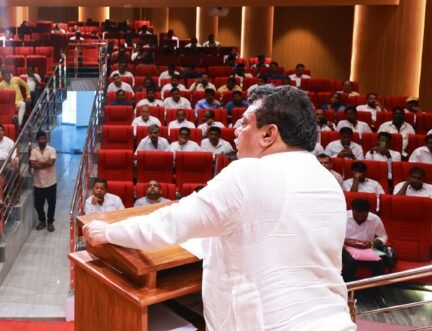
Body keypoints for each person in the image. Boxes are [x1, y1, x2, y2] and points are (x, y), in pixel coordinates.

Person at [83, 85, 355, 330]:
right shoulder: (327, 181)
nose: (236, 132)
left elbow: (169, 225)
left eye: (244, 124)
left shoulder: (248, 173)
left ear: (269, 134)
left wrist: (108, 232)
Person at [342, 198, 388, 303]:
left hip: (367, 248)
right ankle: (345, 292)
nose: (359, 218)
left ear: (368, 212)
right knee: (350, 262)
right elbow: (333, 235)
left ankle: (377, 294)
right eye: (357, 215)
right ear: (352, 210)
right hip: (345, 246)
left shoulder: (375, 219)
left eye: (363, 216)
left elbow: (383, 237)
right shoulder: (343, 217)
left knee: (380, 263)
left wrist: (372, 243)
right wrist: (347, 241)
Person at [30, 131, 57, 232]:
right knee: (38, 205)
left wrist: (39, 163)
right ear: (37, 140)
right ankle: (42, 220)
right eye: (40, 139)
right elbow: (32, 164)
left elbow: (51, 162)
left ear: (46, 139)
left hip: (51, 182)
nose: (42, 140)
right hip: (37, 183)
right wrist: (44, 163)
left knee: (51, 204)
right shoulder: (34, 151)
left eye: (43, 138)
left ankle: (50, 222)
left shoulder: (52, 150)